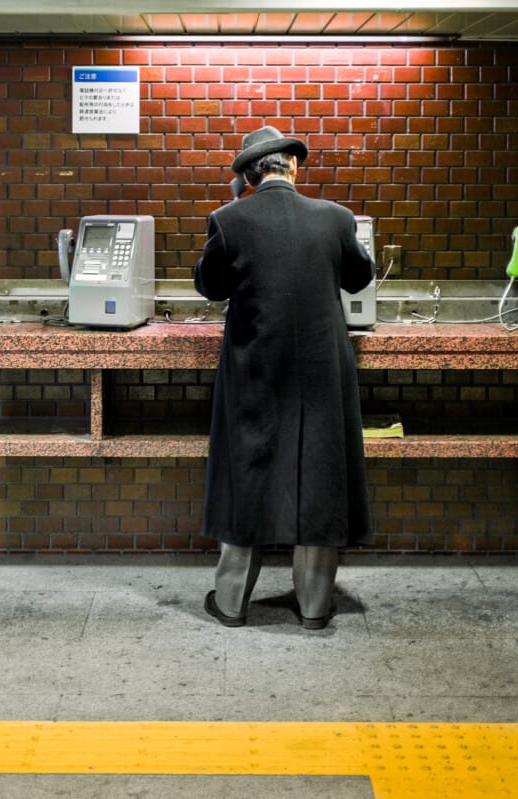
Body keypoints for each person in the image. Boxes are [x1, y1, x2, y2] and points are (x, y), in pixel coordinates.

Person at [194, 125, 375, 630]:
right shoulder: (337, 219)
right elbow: (361, 277)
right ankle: (315, 606)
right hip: (321, 372)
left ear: (249, 177)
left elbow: (210, 286)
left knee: (245, 475)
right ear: (293, 167)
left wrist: (230, 213)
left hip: (255, 370)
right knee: (319, 475)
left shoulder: (229, 219)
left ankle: (231, 603)